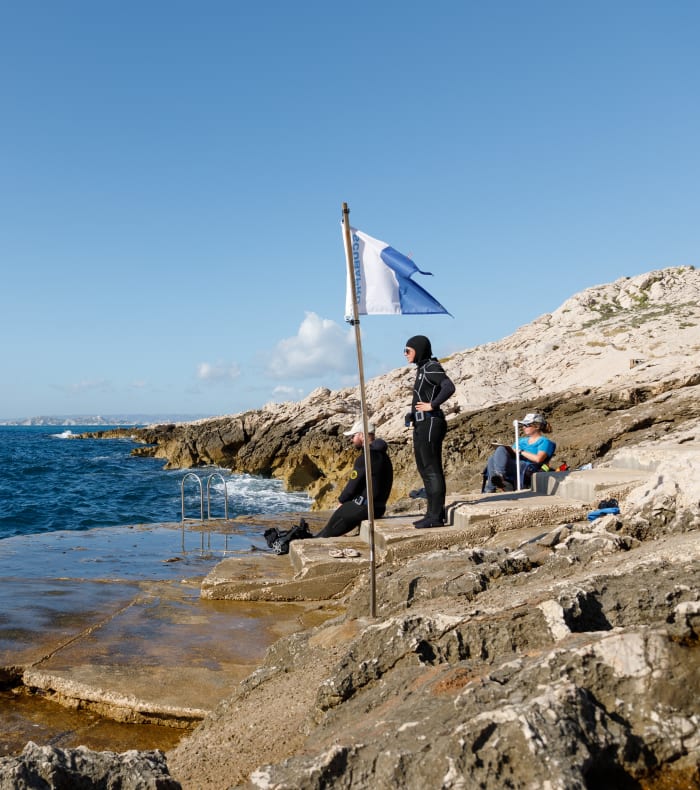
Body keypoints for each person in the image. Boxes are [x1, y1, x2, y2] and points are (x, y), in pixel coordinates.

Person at [404, 335, 456, 529]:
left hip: (431, 423)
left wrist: (433, 405)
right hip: (421, 424)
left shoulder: (431, 367)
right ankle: (430, 513)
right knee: (425, 469)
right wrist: (411, 415)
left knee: (432, 470)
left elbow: (448, 386)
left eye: (408, 350)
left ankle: (436, 516)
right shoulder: (421, 370)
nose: (405, 354)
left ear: (419, 350)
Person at [314, 418, 393, 539]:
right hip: (379, 508)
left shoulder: (365, 458)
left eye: (353, 436)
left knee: (325, 534)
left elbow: (353, 486)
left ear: (362, 435)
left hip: (363, 508)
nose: (351, 440)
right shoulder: (385, 456)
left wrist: (342, 501)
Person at [483, 412, 556, 493]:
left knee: (495, 456)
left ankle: (495, 483)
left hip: (529, 467)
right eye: (523, 425)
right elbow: (512, 453)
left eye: (526, 425)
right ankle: (496, 481)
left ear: (537, 426)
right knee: (493, 457)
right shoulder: (521, 441)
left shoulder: (545, 442)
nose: (524, 427)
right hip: (517, 463)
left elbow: (538, 459)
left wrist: (520, 451)